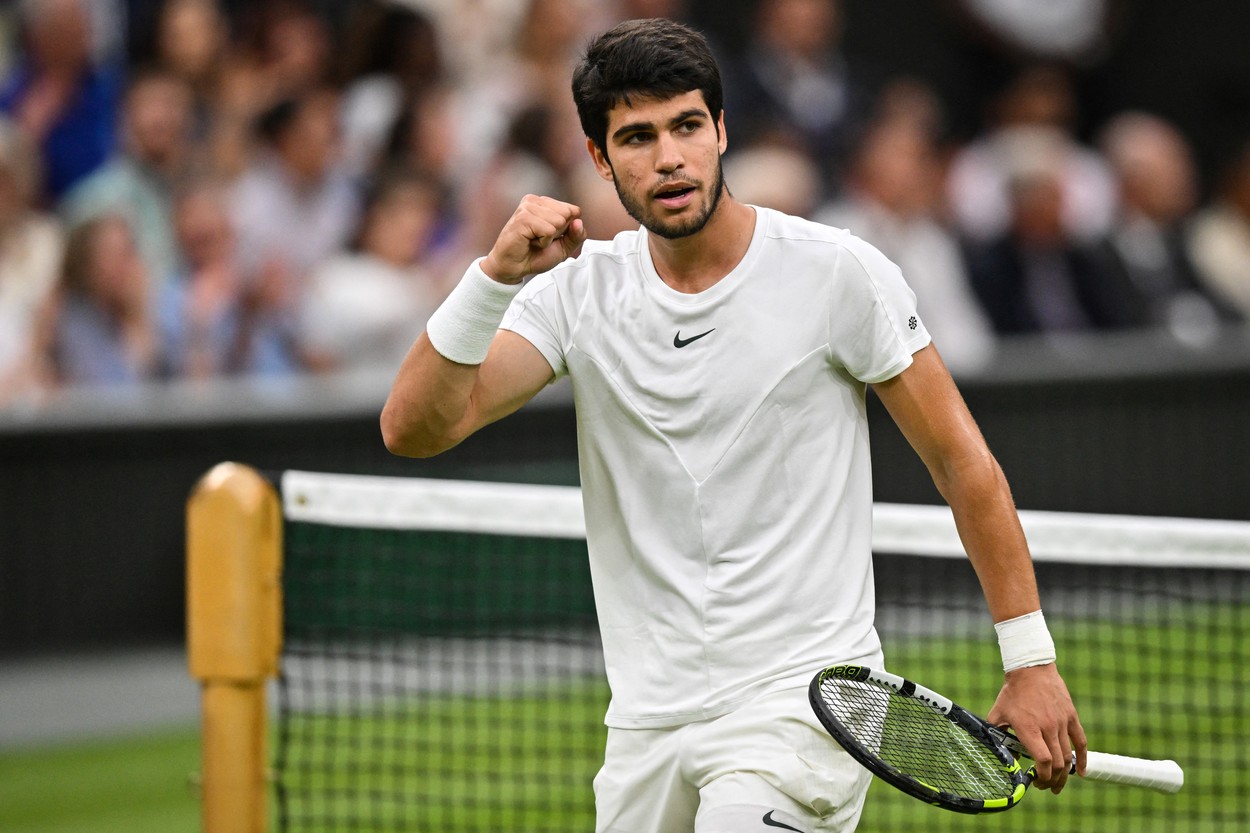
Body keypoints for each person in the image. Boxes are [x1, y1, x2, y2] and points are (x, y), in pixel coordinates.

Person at [381, 19, 1085, 833]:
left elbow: (964, 463)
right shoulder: (575, 293)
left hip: (800, 712)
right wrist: (491, 278)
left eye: (686, 126)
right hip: (646, 725)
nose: (669, 156)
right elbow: (415, 427)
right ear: (601, 160)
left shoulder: (838, 272)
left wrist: (1030, 659)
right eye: (637, 138)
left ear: (720, 130)